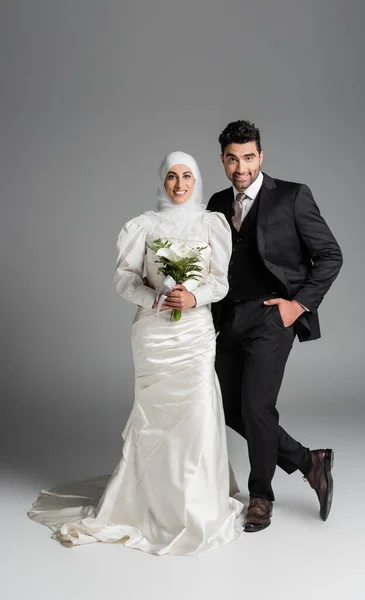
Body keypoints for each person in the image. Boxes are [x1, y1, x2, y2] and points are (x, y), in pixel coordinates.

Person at [28, 151, 243, 555]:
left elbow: (221, 283)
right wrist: (156, 296)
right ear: (162, 181)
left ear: (197, 180)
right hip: (153, 334)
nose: (179, 185)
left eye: (187, 177)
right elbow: (123, 280)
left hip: (195, 332)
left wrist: (193, 296)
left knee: (196, 412)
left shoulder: (212, 223)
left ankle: (194, 507)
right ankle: (150, 504)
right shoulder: (143, 225)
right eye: (172, 177)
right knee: (154, 418)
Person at [207, 120, 343, 533]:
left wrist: (297, 305)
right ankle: (308, 460)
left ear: (261, 156)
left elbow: (330, 255)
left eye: (248, 157)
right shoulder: (214, 202)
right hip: (228, 319)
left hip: (272, 317)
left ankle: (261, 496)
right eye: (232, 159)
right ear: (223, 160)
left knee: (257, 406)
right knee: (229, 408)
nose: (241, 167)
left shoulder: (292, 196)